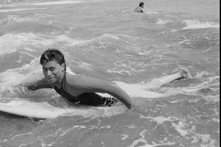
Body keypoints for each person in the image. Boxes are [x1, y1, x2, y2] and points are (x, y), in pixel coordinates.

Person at [15, 49, 191, 110]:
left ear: (63, 66)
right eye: (45, 70)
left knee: (159, 95)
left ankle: (190, 85)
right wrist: (12, 89)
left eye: (52, 69)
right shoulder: (50, 81)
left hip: (118, 94)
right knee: (148, 86)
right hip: (109, 91)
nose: (48, 74)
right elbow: (31, 86)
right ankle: (179, 74)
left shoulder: (74, 82)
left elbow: (111, 87)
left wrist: (133, 107)